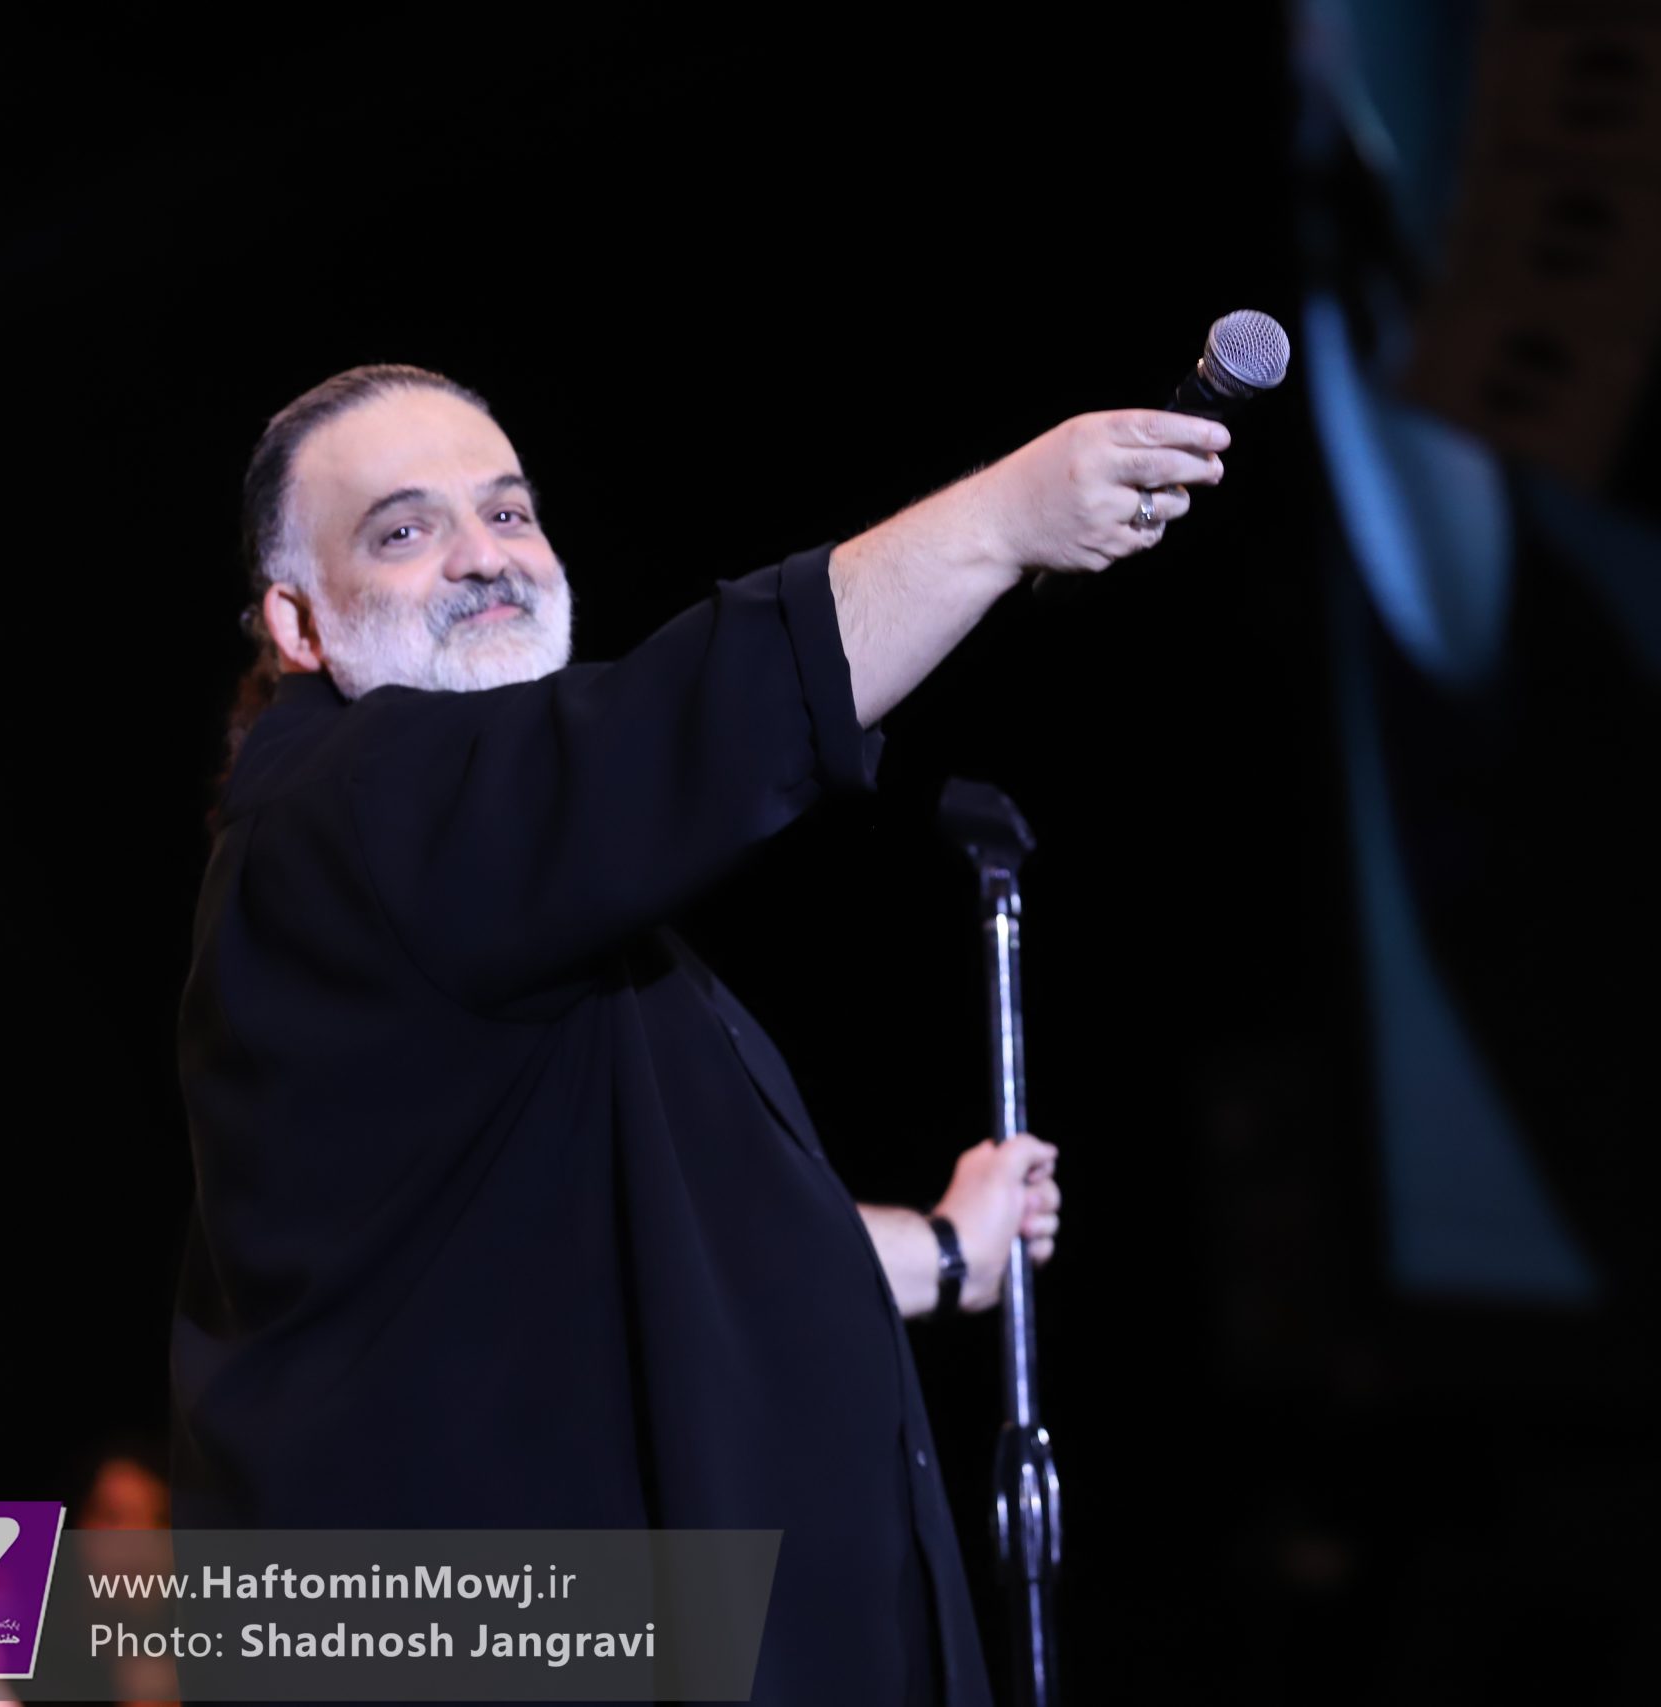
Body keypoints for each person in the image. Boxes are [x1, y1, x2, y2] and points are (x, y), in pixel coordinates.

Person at [175, 365, 1218, 1703]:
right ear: (298, 622)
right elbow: (685, 722)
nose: (483, 557)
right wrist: (1003, 519)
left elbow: (678, 1238)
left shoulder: (491, 908)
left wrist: (947, 1248)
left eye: (509, 512)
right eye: (404, 529)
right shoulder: (350, 812)